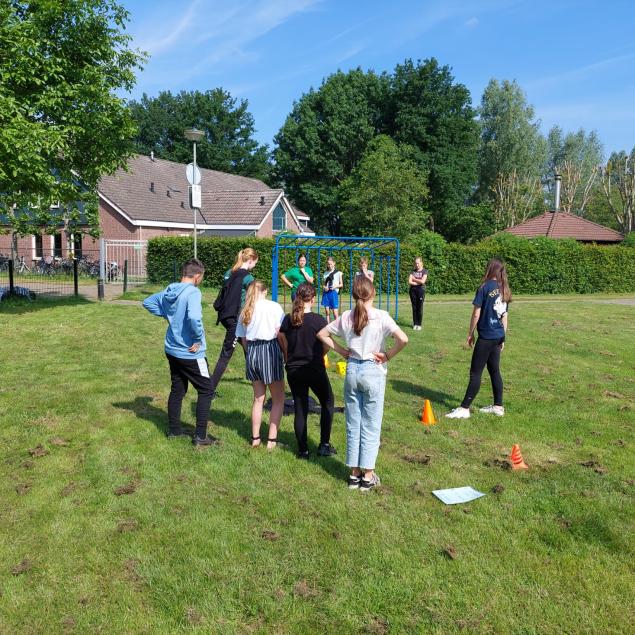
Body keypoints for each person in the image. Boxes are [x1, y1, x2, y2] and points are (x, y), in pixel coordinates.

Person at [317, 276, 408, 492]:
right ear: (373, 293)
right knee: (371, 424)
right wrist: (387, 355)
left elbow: (322, 334)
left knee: (353, 423)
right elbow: (403, 339)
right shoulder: (381, 316)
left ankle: (354, 474)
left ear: (353, 295)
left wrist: (342, 351)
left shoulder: (347, 316)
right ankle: (367, 476)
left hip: (353, 372)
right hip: (372, 371)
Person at [142, 258, 217, 446]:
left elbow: (148, 301)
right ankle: (201, 436)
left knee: (178, 389)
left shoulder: (170, 290)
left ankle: (175, 431)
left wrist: (169, 315)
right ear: (197, 276)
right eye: (202, 277)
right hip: (190, 352)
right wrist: (198, 338)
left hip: (172, 349)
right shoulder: (193, 292)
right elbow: (194, 317)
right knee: (207, 390)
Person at [445, 258, 511, 419]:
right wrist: (503, 337)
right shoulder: (504, 289)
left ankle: (464, 408)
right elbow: (504, 316)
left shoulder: (484, 287)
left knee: (475, 373)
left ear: (490, 269)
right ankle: (498, 406)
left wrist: (470, 333)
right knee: (494, 370)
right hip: (498, 336)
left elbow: (476, 313)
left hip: (486, 337)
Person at [278, 283, 336, 460]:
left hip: (294, 370)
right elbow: (327, 344)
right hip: (314, 368)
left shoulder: (288, 319)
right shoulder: (318, 320)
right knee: (328, 402)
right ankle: (324, 445)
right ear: (313, 299)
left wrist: (287, 355)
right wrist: (320, 355)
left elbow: (281, 336)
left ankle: (303, 451)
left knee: (300, 407)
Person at [236, 280, 286, 449]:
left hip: (252, 351)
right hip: (270, 350)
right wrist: (285, 353)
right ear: (265, 291)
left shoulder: (245, 310)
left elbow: (243, 339)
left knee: (258, 399)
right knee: (278, 399)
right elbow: (280, 333)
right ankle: (271, 441)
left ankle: (255, 438)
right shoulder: (274, 306)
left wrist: (250, 354)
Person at [210, 248, 258, 392]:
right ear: (250, 260)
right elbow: (253, 299)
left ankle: (256, 380)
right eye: (255, 263)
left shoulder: (229, 272)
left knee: (247, 346)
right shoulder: (248, 278)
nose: (254, 266)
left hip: (225, 316)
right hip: (236, 320)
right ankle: (209, 390)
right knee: (226, 354)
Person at [321, 256, 343, 322]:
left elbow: (341, 284)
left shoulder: (338, 273)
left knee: (335, 312)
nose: (329, 265)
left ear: (334, 263)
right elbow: (323, 284)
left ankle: (338, 326)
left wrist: (335, 287)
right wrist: (324, 287)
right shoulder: (325, 273)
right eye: (328, 264)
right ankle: (328, 325)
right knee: (327, 312)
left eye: (331, 264)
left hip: (333, 293)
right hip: (326, 293)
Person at [408, 257, 428, 330]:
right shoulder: (412, 271)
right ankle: (415, 324)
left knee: (419, 307)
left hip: (420, 291)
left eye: (418, 263)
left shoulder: (425, 271)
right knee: (414, 307)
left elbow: (423, 281)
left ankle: (419, 324)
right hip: (412, 291)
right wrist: (418, 282)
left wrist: (414, 279)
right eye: (415, 263)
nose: (417, 265)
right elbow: (409, 281)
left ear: (421, 263)